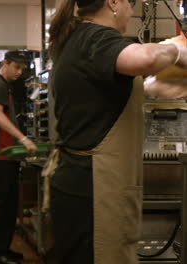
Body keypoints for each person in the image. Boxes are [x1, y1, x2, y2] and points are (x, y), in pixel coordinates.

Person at [46, 0, 187, 263]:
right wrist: (176, 50)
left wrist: (154, 88)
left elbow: (102, 100)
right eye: (130, 4)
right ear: (113, 2)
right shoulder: (96, 36)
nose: (131, 12)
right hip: (96, 191)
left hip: (80, 184)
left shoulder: (77, 39)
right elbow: (146, 58)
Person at [0, 51, 37, 264]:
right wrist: (22, 138)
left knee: (8, 204)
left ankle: (2, 248)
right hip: (0, 154)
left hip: (5, 154)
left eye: (23, 69)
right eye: (17, 67)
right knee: (3, 205)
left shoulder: (3, 85)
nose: (20, 73)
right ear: (6, 63)